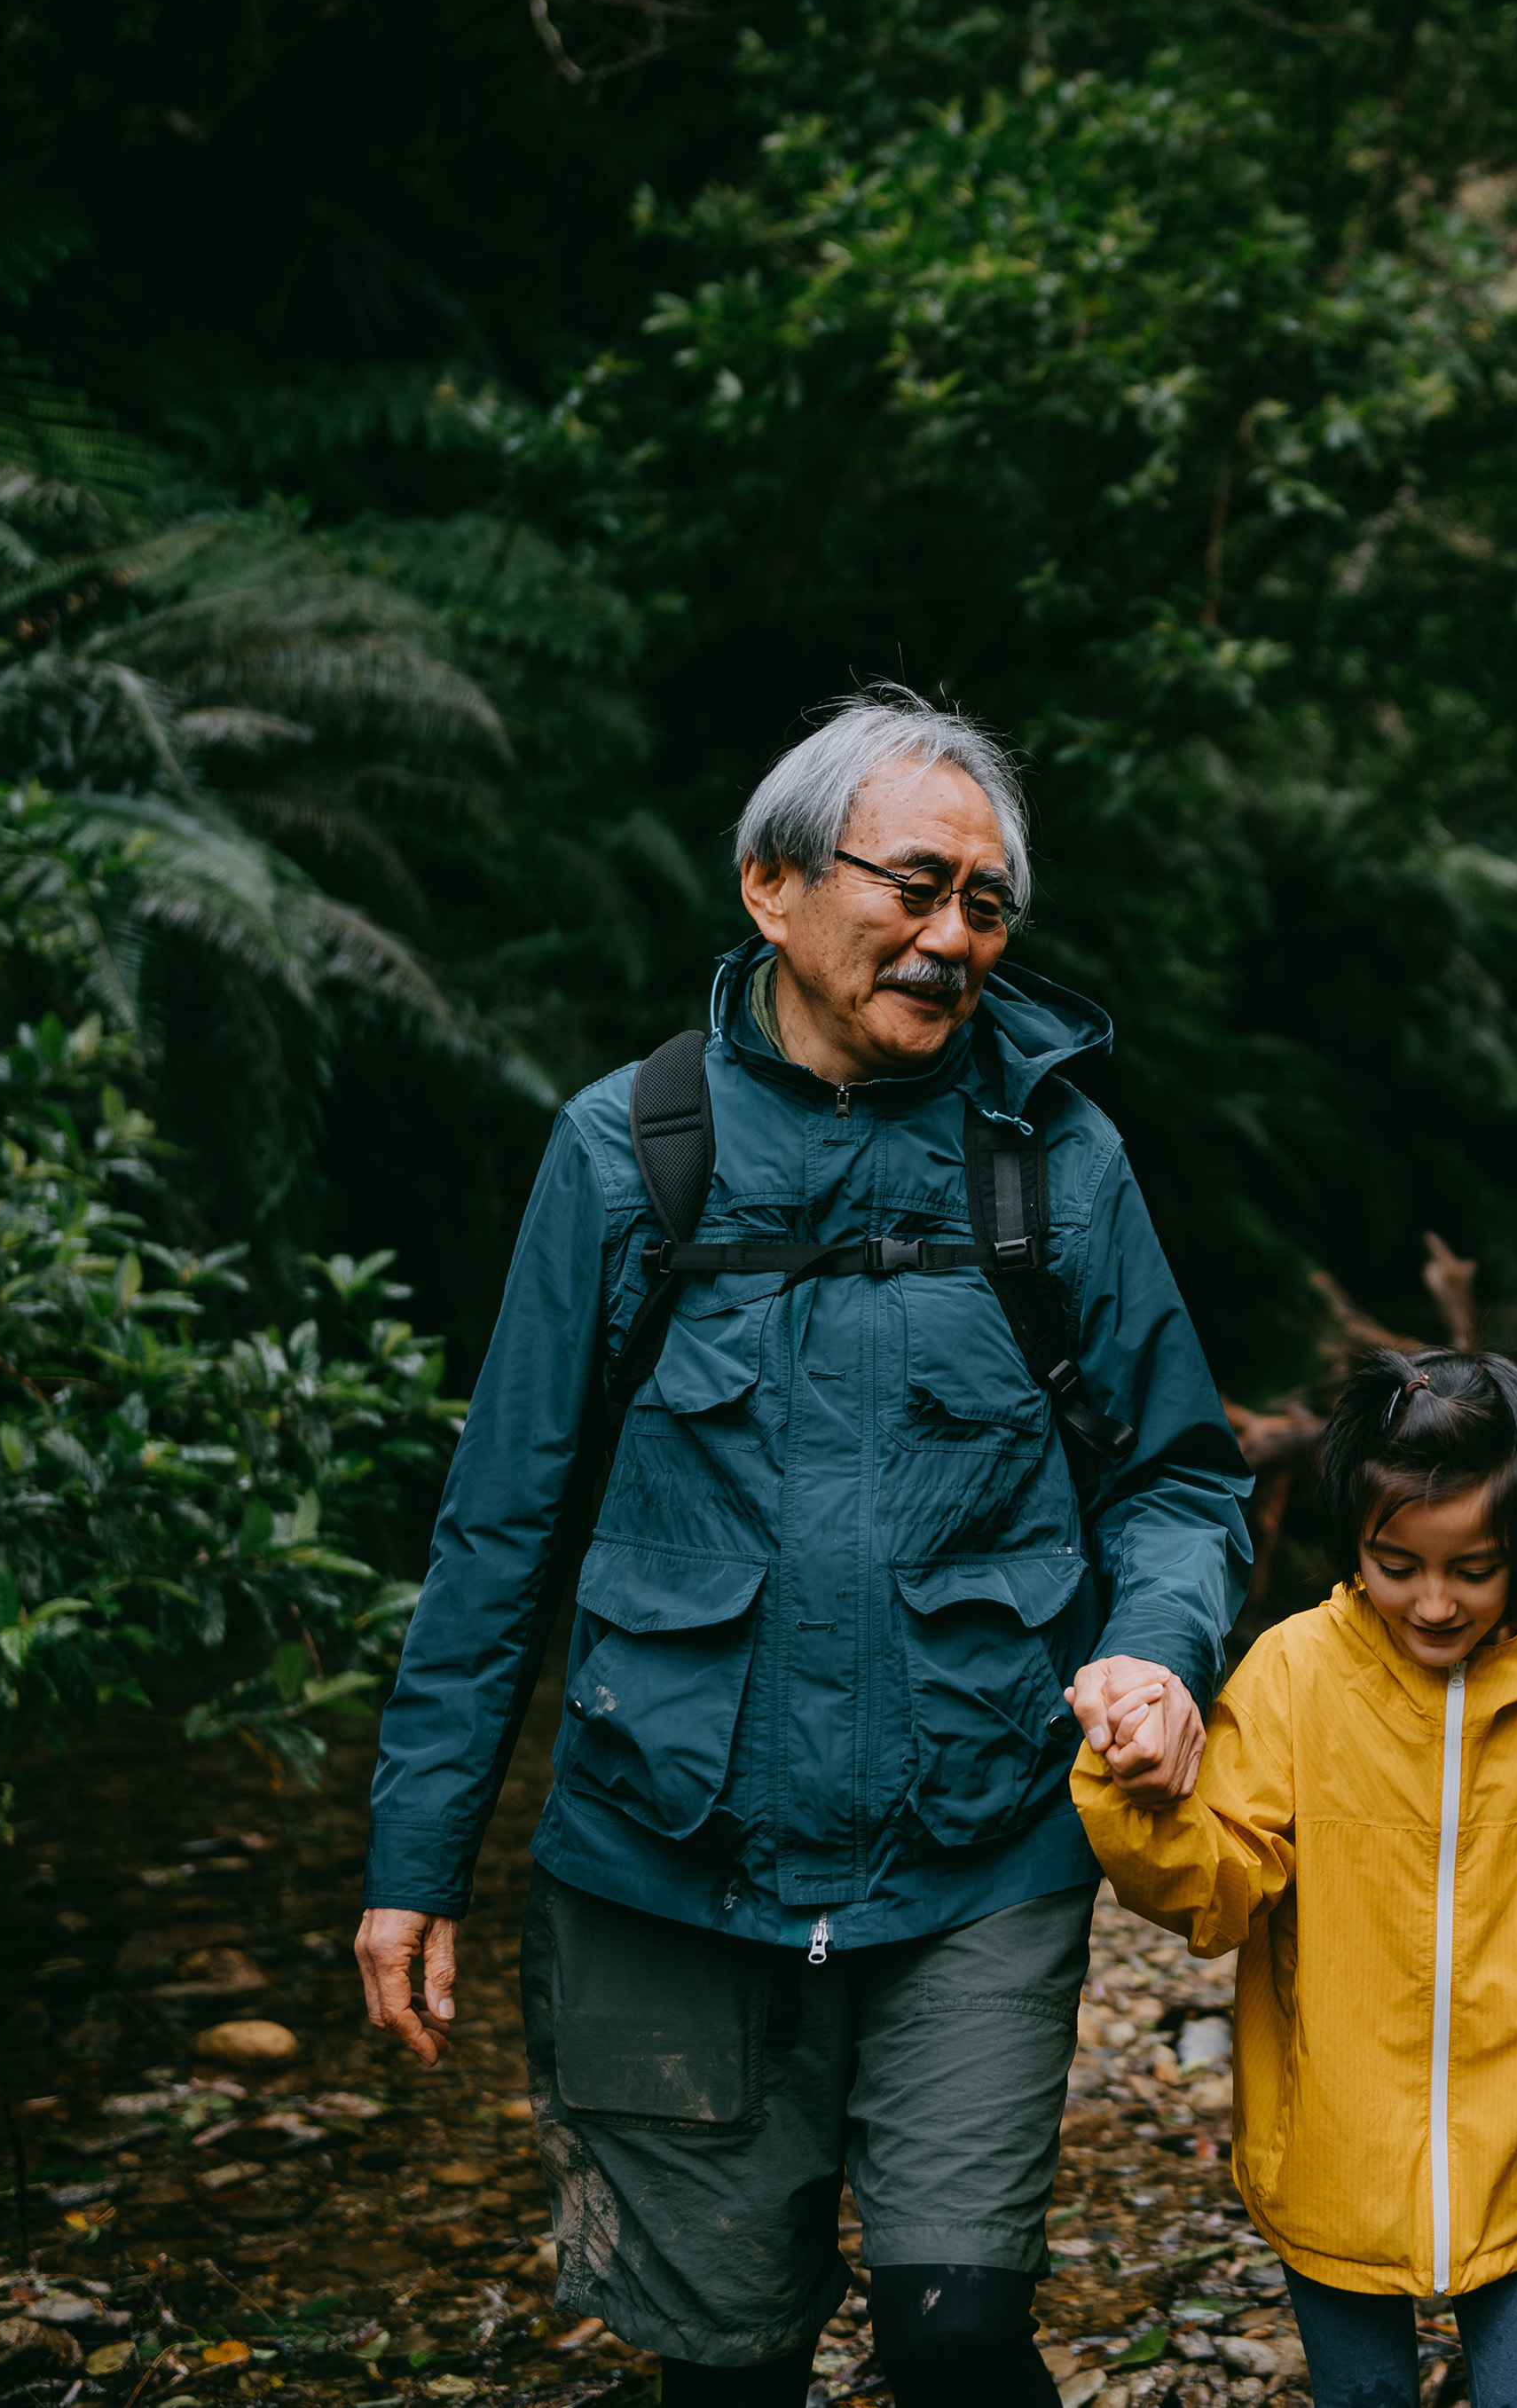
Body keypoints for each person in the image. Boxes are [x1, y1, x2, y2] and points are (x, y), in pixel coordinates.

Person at [350, 691, 1254, 2408]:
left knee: (961, 2339)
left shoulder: (1052, 1161)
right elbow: (500, 1534)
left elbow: (1178, 1479)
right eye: (912, 886)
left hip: (977, 1852)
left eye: (985, 905)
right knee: (725, 2366)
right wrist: (417, 1857)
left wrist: (1158, 1645)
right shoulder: (622, 1156)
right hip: (659, 1861)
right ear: (771, 887)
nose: (949, 936)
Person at [1073, 1350, 1517, 2408]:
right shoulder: (1295, 1673)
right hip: (1331, 2155)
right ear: (1353, 1539)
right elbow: (1214, 1893)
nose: (1435, 1601)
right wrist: (1137, 1798)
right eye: (1397, 1564)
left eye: (1474, 1567)